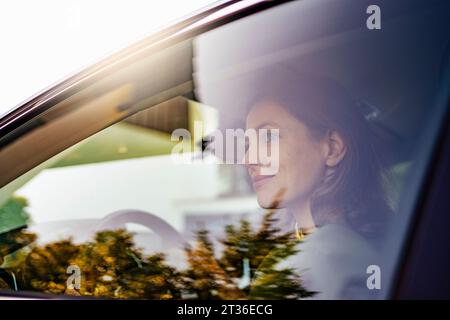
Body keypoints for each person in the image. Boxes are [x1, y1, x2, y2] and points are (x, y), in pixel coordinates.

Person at [244, 66, 393, 299]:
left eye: (268, 137)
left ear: (332, 147)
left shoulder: (309, 263)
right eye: (248, 145)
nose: (248, 159)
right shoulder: (376, 241)